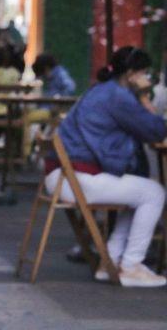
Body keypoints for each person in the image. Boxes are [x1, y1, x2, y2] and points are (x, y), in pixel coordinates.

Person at [50, 46, 167, 287]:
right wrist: (144, 96)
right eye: (145, 73)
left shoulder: (102, 90)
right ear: (133, 74)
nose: (148, 78)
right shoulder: (119, 97)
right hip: (77, 178)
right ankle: (132, 265)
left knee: (140, 192)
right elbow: (155, 129)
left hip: (63, 175)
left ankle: (110, 260)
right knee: (154, 193)